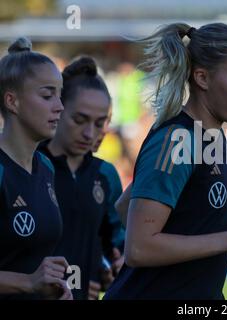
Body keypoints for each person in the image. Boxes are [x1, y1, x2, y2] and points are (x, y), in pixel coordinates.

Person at [104, 22, 227, 300]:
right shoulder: (176, 139)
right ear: (202, 78)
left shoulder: (209, 137)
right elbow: (139, 247)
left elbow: (125, 208)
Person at [39, 56, 124, 300]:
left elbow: (117, 246)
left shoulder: (105, 175)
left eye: (99, 124)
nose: (89, 133)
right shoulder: (29, 165)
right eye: (79, 120)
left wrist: (109, 270)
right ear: (58, 109)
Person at [0, 37, 72, 300]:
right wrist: (28, 282)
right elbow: (29, 278)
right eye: (47, 95)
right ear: (12, 101)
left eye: (60, 94)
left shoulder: (45, 167)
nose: (60, 106)